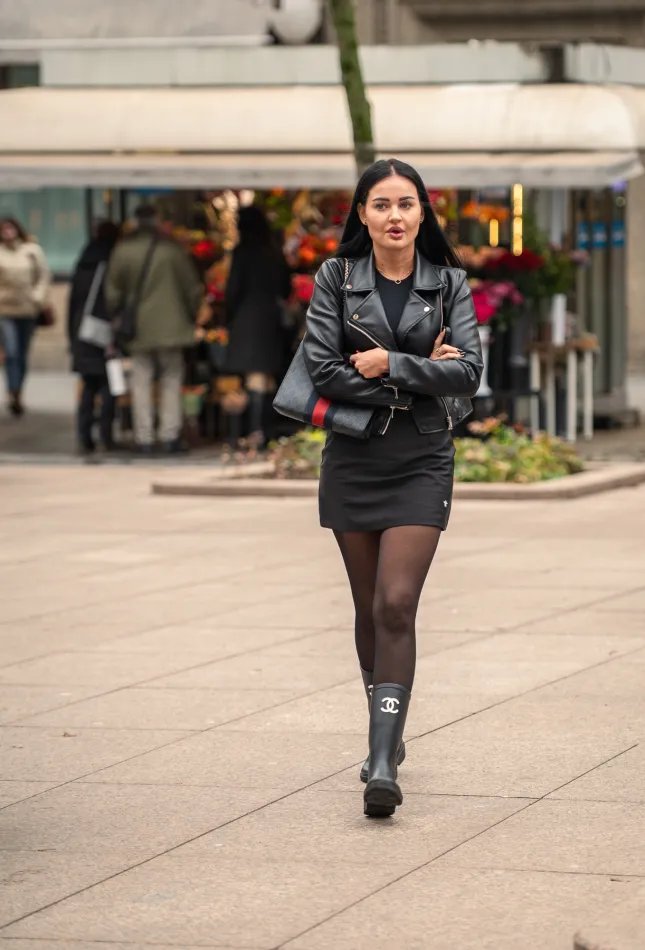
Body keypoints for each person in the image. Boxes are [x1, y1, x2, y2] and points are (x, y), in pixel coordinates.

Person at [302, 158, 482, 817]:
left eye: (407, 204)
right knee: (366, 607)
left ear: (423, 213)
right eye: (381, 205)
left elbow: (467, 373)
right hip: (352, 459)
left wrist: (384, 364)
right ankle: (388, 732)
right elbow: (323, 371)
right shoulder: (336, 278)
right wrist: (416, 373)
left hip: (421, 460)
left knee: (397, 603)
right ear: (362, 215)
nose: (396, 216)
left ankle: (382, 760)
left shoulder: (449, 282)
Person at [106, 204, 203, 455]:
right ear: (157, 221)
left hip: (139, 327)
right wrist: (192, 316)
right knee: (171, 379)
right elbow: (192, 288)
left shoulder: (123, 251)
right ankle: (169, 435)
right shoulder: (172, 250)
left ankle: (144, 437)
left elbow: (112, 293)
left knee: (141, 380)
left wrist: (117, 317)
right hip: (173, 326)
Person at [224, 206, 292, 454]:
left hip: (246, 320)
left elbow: (232, 290)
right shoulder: (274, 251)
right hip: (270, 321)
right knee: (265, 379)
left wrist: (229, 313)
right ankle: (265, 432)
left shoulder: (242, 252)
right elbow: (286, 288)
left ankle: (253, 433)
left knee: (253, 378)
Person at [67, 220, 121, 456]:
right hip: (104, 331)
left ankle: (84, 433)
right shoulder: (111, 263)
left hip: (82, 331)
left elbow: (72, 303)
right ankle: (106, 433)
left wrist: (71, 336)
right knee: (108, 384)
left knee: (88, 385)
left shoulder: (83, 262)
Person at [0, 216, 51, 416]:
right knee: (11, 351)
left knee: (22, 352)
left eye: (10, 228)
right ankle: (13, 391)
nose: (8, 232)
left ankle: (19, 390)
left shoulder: (31, 250)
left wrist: (37, 298)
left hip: (28, 309)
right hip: (4, 310)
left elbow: (43, 275)